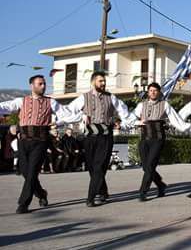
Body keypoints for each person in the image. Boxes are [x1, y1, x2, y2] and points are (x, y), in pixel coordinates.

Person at [0, 75, 81, 213]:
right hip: (23, 141)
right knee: (26, 173)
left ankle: (23, 204)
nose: (43, 86)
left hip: (40, 141)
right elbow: (4, 107)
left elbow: (66, 114)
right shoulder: (21, 101)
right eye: (40, 84)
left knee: (32, 173)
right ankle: (42, 193)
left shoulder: (51, 102)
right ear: (32, 85)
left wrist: (78, 116)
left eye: (44, 84)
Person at [67, 71, 132, 207]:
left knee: (99, 166)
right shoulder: (83, 98)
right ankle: (103, 191)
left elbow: (124, 111)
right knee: (92, 167)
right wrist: (80, 116)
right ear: (93, 82)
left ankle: (91, 197)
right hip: (89, 137)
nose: (103, 83)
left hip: (105, 136)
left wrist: (124, 121)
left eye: (104, 81)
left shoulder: (111, 98)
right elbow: (68, 110)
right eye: (100, 81)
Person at [128, 82, 188, 201]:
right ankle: (160, 185)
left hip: (158, 138)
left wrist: (187, 127)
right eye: (151, 90)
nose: (153, 92)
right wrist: (138, 122)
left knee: (150, 165)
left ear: (159, 92)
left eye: (155, 91)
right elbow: (130, 118)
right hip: (144, 139)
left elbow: (176, 120)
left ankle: (143, 192)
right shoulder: (141, 105)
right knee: (146, 167)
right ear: (148, 92)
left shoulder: (164, 105)